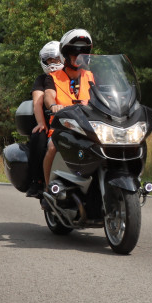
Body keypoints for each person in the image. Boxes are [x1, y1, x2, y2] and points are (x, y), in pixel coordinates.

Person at [42, 29, 95, 188]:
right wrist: (53, 105)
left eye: (83, 52)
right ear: (65, 54)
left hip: (89, 127)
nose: (79, 56)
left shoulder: (91, 75)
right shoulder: (53, 77)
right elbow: (48, 95)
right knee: (52, 147)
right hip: (63, 126)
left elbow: (104, 95)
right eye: (74, 52)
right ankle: (49, 188)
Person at [25, 41, 63, 197]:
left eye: (55, 58)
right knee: (38, 137)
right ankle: (38, 181)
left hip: (73, 121)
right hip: (49, 120)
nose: (52, 62)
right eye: (48, 59)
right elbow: (38, 102)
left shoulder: (72, 77)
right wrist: (41, 122)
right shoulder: (42, 79)